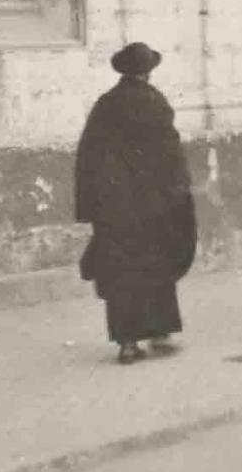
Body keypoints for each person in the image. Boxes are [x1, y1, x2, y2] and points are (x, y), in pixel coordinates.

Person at [74, 42, 197, 365]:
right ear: (148, 71)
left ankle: (127, 343)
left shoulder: (105, 104)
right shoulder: (155, 104)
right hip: (154, 208)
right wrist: (179, 195)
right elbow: (171, 155)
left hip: (115, 209)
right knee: (156, 268)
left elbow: (88, 156)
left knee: (120, 273)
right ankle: (159, 332)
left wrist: (91, 207)